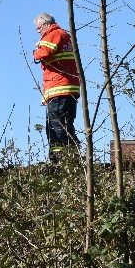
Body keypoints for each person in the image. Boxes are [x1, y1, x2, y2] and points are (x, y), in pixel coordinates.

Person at [33, 12, 80, 162]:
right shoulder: (65, 36)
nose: (38, 31)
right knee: (66, 125)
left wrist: (36, 50)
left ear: (46, 24)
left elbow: (43, 53)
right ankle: (73, 157)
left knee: (55, 127)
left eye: (39, 28)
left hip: (59, 88)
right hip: (67, 88)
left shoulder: (53, 34)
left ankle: (58, 161)